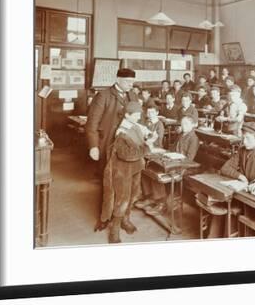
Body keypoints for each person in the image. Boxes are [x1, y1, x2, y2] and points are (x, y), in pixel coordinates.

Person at [85, 68, 139, 230]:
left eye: (132, 82)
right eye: (128, 82)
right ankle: (105, 218)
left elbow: (137, 119)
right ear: (118, 79)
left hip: (128, 147)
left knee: (129, 186)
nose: (131, 85)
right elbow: (92, 123)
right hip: (107, 145)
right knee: (108, 185)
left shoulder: (132, 95)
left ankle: (124, 218)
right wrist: (94, 146)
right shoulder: (103, 96)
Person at [100, 101, 158, 243]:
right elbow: (127, 155)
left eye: (139, 114)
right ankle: (115, 228)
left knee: (133, 195)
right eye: (136, 115)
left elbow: (144, 133)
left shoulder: (135, 125)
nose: (139, 117)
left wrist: (150, 136)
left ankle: (125, 220)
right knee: (122, 199)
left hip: (135, 167)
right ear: (127, 115)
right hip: (123, 170)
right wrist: (148, 146)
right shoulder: (122, 131)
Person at [138, 116, 199, 216]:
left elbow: (189, 159)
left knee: (159, 174)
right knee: (148, 169)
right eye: (182, 124)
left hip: (183, 167)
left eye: (186, 124)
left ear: (192, 125)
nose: (183, 126)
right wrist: (165, 153)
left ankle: (162, 203)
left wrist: (174, 157)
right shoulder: (181, 135)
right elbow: (173, 149)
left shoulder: (194, 139)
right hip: (173, 161)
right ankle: (150, 197)